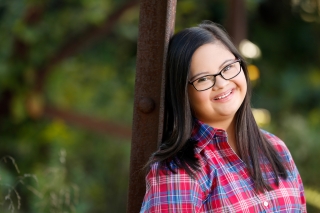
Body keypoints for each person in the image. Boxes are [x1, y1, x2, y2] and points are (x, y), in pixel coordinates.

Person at [140, 21, 306, 213]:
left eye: (227, 67)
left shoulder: (276, 148)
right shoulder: (179, 171)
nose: (221, 83)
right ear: (183, 93)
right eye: (203, 79)